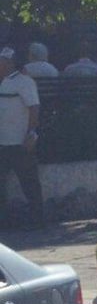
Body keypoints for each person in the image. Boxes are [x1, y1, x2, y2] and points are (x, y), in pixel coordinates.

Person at [0, 47, 45, 227]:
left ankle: (37, 219)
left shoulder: (24, 82)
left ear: (11, 63)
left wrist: (31, 134)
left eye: (3, 61)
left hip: (19, 142)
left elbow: (34, 108)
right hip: (2, 142)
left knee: (29, 183)